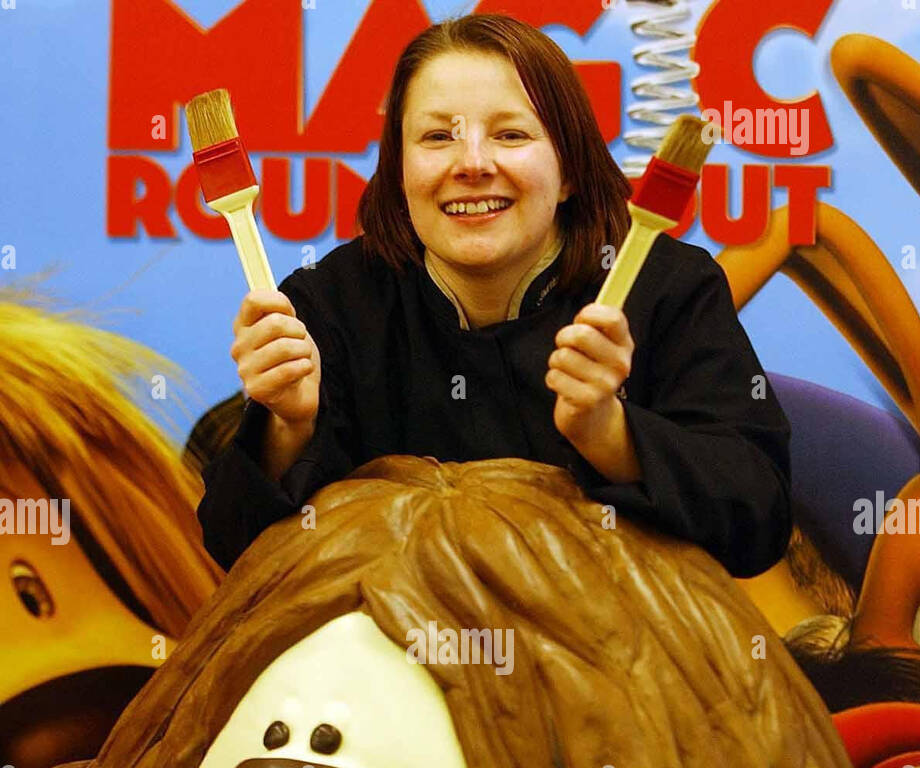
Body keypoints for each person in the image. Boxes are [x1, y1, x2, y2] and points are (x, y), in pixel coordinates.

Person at [197, 14, 791, 577]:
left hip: (616, 660)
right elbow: (233, 548)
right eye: (436, 137)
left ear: (571, 171)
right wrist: (286, 428)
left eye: (510, 134)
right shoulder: (329, 303)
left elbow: (758, 521)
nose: (473, 164)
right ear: (399, 170)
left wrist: (610, 434)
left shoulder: (665, 288)